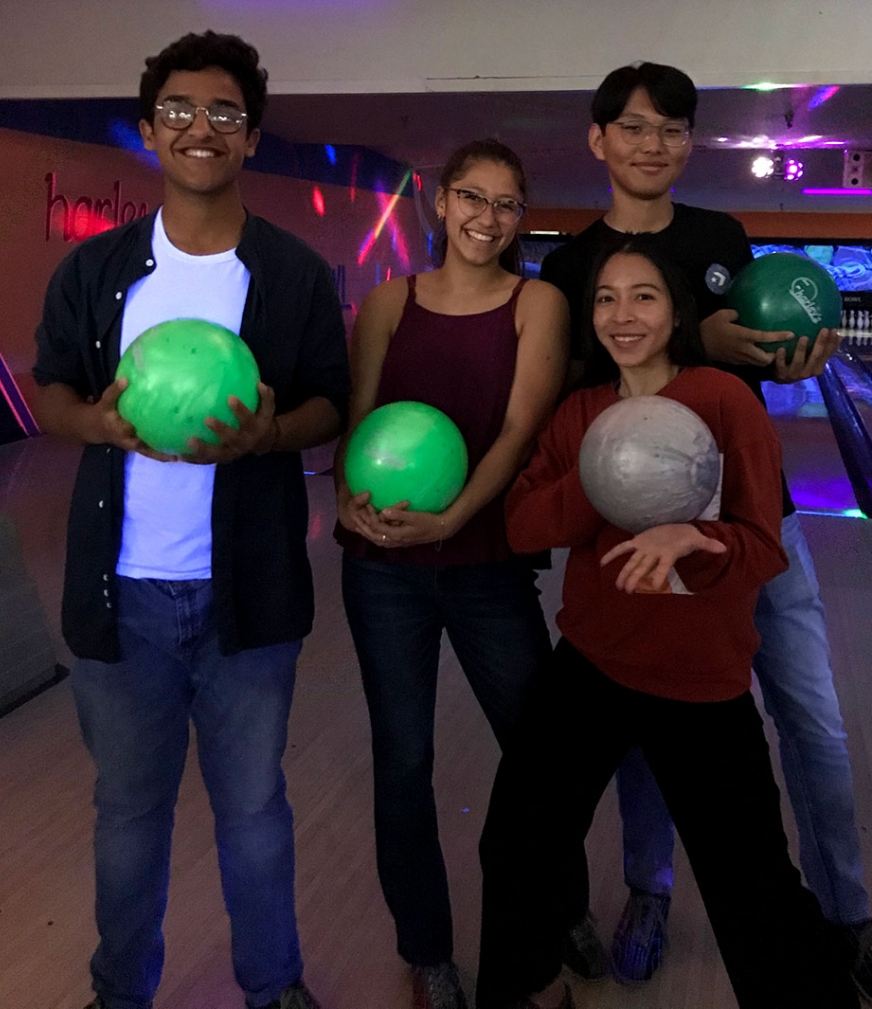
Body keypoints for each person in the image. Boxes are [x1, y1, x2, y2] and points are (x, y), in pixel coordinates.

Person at [540, 61, 872, 1009]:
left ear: (689, 143)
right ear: (598, 140)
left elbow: (761, 368)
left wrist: (799, 355)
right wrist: (691, 346)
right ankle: (650, 889)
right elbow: (573, 388)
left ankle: (846, 912)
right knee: (642, 728)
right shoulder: (568, 265)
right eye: (633, 127)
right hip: (636, 532)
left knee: (813, 720)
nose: (652, 144)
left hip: (756, 523)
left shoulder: (724, 238)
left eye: (673, 129)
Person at [32, 30, 349, 1009]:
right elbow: (50, 392)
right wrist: (101, 422)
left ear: (250, 136)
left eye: (222, 113)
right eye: (178, 110)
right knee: (129, 811)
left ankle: (273, 986)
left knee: (253, 808)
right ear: (147, 130)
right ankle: (120, 989)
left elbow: (331, 405)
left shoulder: (291, 273)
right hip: (118, 593)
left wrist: (266, 435)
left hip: (247, 593)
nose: (199, 128)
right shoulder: (96, 271)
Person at [476, 238, 859, 1009]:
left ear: (676, 311)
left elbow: (759, 546)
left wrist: (695, 534)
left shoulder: (723, 400)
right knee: (518, 837)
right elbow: (521, 526)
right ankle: (530, 989)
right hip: (592, 661)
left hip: (700, 678)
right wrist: (604, 474)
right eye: (607, 298)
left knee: (751, 884)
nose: (624, 313)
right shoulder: (581, 413)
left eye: (643, 295)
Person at [334, 139, 568, 1009]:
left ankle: (560, 905)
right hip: (385, 569)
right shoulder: (387, 301)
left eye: (507, 205)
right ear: (440, 201)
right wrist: (348, 503)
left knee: (539, 752)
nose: (488, 218)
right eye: (473, 197)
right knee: (404, 759)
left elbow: (518, 429)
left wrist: (454, 518)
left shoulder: (536, 302)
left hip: (485, 563)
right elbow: (361, 420)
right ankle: (427, 947)